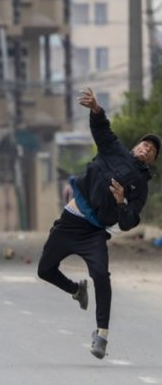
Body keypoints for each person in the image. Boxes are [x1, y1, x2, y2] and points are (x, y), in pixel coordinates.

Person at [37, 88, 160, 360]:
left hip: (94, 232)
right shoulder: (113, 149)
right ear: (134, 147)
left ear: (151, 161)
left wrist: (120, 201)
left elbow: (129, 222)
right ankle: (76, 290)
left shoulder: (140, 187)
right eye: (144, 144)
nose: (146, 148)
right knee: (44, 270)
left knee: (102, 276)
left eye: (151, 150)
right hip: (71, 220)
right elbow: (103, 129)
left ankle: (101, 335)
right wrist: (96, 109)